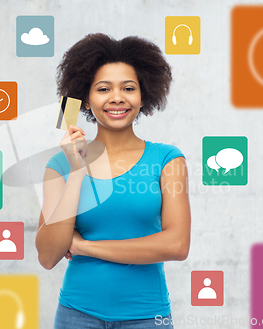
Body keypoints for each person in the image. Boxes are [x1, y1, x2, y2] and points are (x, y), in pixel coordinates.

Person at [35, 33, 191, 328]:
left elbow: (177, 245)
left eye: (128, 88)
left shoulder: (168, 160)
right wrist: (77, 169)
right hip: (76, 315)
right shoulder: (61, 164)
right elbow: (48, 254)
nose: (117, 97)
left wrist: (85, 247)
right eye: (103, 88)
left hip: (147, 317)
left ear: (143, 95)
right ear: (85, 97)